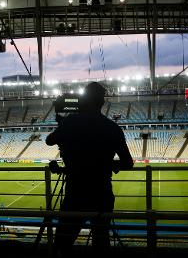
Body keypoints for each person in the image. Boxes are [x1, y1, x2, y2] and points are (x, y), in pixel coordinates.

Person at [46, 82, 133, 255]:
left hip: (75, 193)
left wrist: (64, 123)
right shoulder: (113, 127)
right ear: (101, 102)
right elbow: (128, 163)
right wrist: (110, 165)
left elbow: (50, 140)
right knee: (101, 240)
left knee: (63, 241)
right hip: (102, 193)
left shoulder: (70, 122)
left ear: (84, 100)